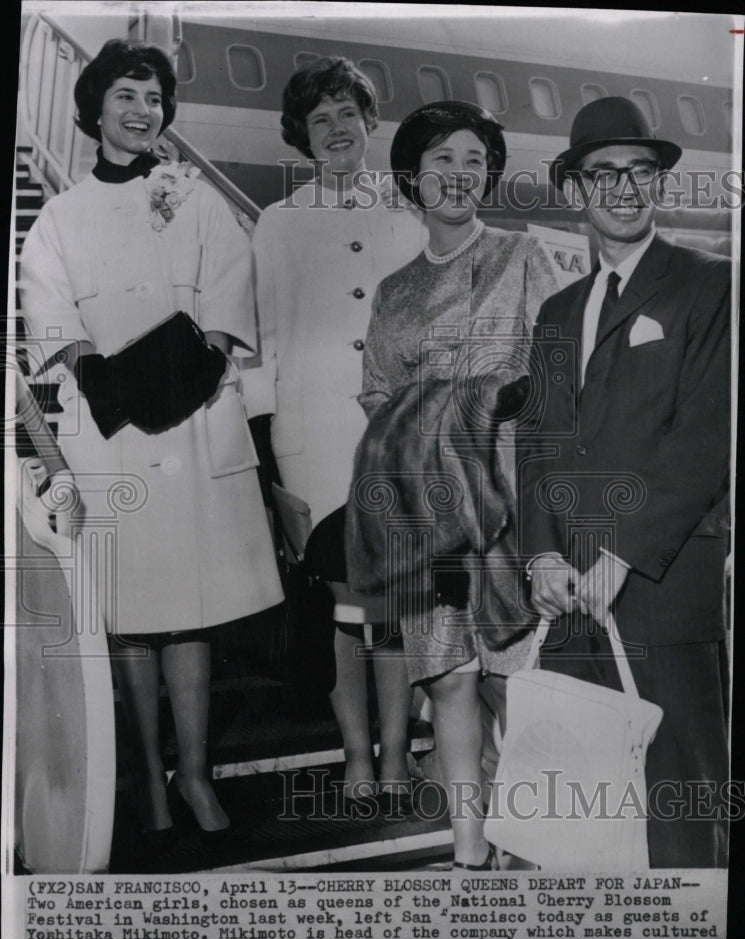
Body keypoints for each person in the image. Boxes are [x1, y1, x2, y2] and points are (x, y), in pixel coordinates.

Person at [20, 39, 284, 847]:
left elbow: (230, 292)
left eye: (156, 99)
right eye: (128, 96)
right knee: (131, 614)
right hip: (111, 435)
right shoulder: (58, 217)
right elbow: (51, 314)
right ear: (96, 105)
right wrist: (103, 376)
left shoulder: (195, 196)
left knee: (191, 614)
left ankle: (195, 774)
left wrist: (191, 367)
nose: (144, 112)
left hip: (193, 421)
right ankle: (147, 771)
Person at [519, 96, 730, 867]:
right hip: (569, 595)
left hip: (658, 588)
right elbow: (537, 445)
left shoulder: (709, 285)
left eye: (639, 171)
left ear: (658, 184)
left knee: (680, 812)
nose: (622, 188)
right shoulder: (554, 311)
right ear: (573, 190)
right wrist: (540, 558)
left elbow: (704, 440)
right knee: (580, 820)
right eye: (601, 173)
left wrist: (622, 556)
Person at [358, 101, 558, 868]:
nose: (458, 174)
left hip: (508, 500)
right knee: (447, 684)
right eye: (441, 158)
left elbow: (556, 372)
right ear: (412, 175)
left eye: (473, 160)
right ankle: (468, 853)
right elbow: (376, 392)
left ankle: (525, 843)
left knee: (517, 682)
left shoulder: (522, 255)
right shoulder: (393, 290)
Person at [248, 57, 425, 804]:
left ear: (368, 121)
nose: (335, 130)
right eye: (319, 119)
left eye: (346, 113)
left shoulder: (409, 214)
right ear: (302, 137)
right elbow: (259, 341)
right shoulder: (277, 224)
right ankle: (362, 756)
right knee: (351, 606)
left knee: (384, 605)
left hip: (399, 436)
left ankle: (390, 756)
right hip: (315, 442)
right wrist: (263, 454)